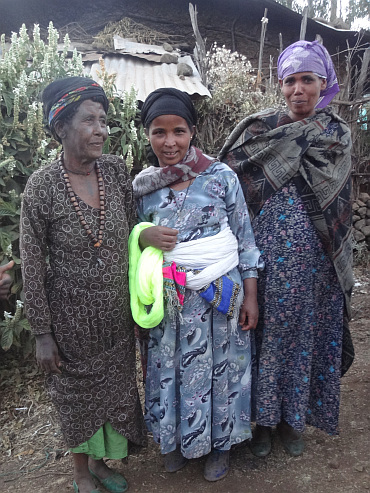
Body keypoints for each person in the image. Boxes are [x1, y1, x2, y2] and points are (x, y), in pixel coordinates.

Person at [218, 40, 354, 458]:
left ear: (324, 83)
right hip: (263, 258)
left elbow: (341, 201)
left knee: (304, 337)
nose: (299, 89)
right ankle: (262, 423)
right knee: (262, 336)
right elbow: (226, 179)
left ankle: (294, 422)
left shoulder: (336, 135)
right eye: (291, 80)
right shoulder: (258, 130)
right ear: (280, 85)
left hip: (317, 259)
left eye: (308, 80)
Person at [20, 77, 146, 493]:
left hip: (116, 311)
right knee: (75, 397)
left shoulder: (113, 170)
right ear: (61, 128)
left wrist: (142, 300)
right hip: (69, 318)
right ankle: (79, 473)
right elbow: (33, 263)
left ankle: (101, 463)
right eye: (89, 120)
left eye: (104, 120)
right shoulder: (41, 186)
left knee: (114, 390)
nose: (101, 130)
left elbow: (132, 231)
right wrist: (42, 333)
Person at [130, 88, 262, 482]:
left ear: (192, 132)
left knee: (222, 370)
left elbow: (245, 238)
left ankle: (220, 446)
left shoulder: (221, 177)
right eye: (158, 132)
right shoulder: (143, 186)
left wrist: (251, 296)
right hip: (169, 298)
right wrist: (143, 236)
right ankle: (174, 441)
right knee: (169, 367)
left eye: (179, 131)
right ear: (147, 134)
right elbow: (130, 239)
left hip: (220, 295)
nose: (169, 142)